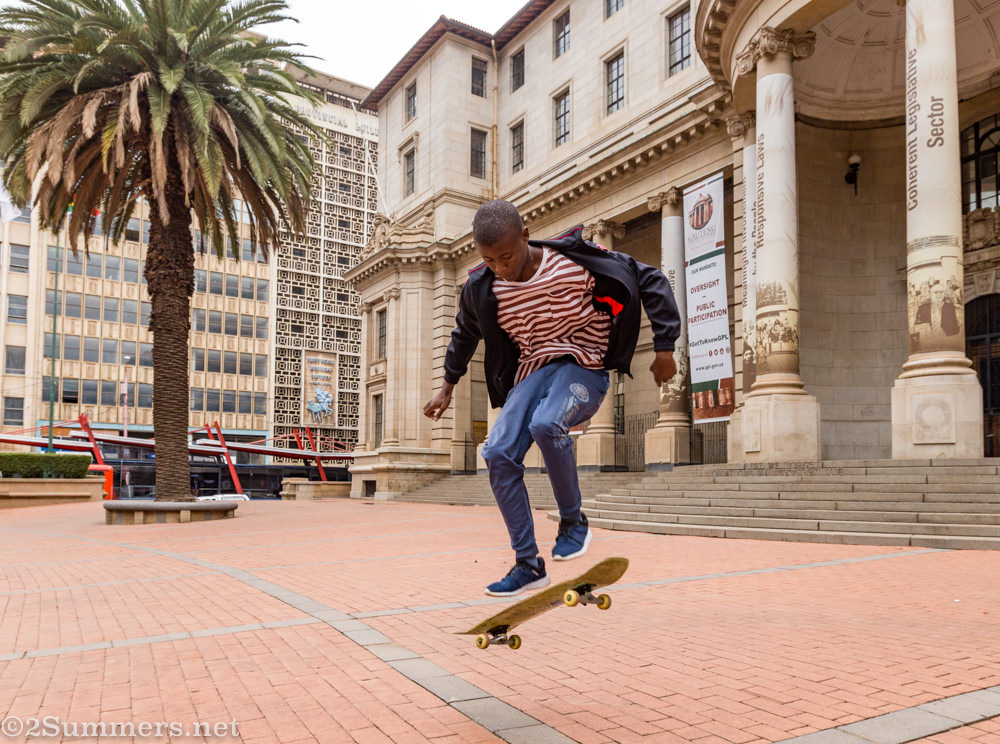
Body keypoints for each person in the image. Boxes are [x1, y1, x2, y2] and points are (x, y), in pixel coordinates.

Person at [423, 200, 681, 596]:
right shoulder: (482, 287)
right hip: (532, 374)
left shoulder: (572, 262)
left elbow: (647, 278)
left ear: (525, 236)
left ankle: (574, 522)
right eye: (490, 260)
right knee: (496, 452)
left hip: (583, 368)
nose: (501, 268)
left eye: (506, 256)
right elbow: (464, 334)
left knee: (547, 424)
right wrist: (448, 384)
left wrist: (664, 347)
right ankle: (528, 564)